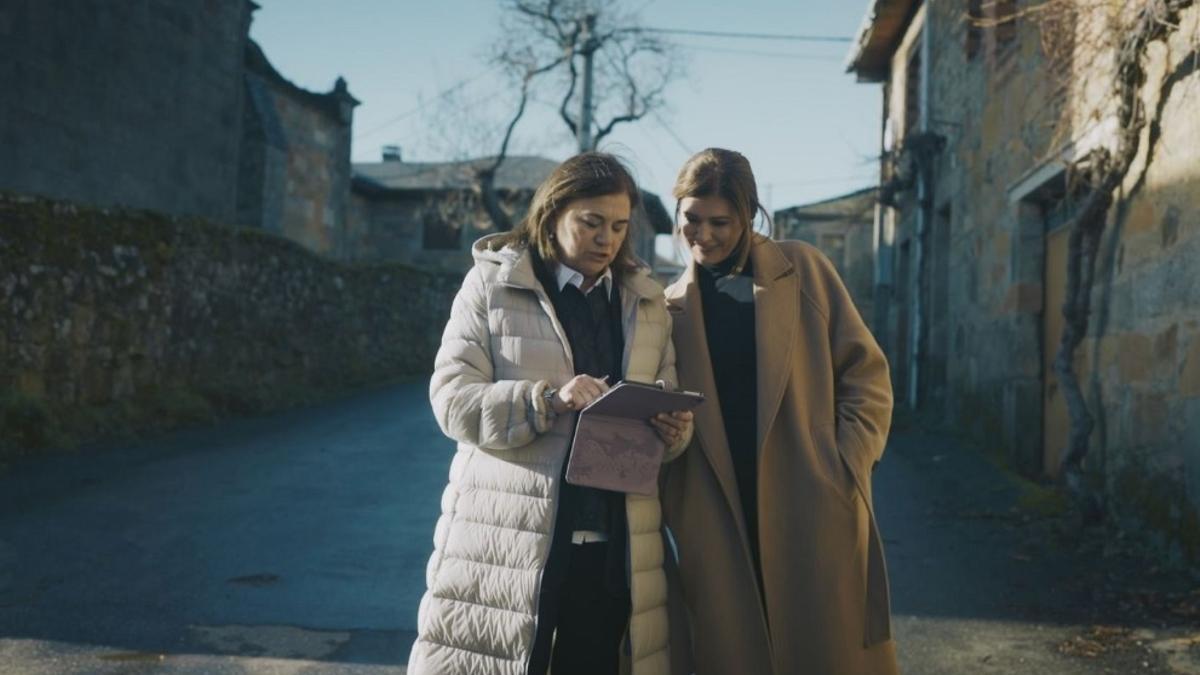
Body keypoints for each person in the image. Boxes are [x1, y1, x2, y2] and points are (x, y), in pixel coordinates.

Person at [408, 151, 695, 675]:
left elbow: (668, 417)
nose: (606, 239)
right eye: (591, 223)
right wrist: (546, 401)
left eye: (619, 226)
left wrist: (673, 430)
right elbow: (451, 401)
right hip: (511, 539)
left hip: (614, 544)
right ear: (552, 213)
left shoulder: (647, 303)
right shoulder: (491, 285)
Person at [661, 148, 898, 675]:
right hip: (716, 505)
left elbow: (865, 373)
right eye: (692, 219)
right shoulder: (668, 305)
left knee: (827, 647)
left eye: (720, 222)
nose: (703, 235)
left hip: (810, 493)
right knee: (734, 646)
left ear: (748, 215)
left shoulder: (803, 269)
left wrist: (846, 461)